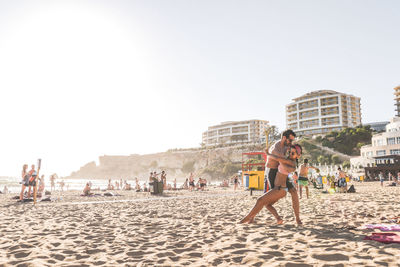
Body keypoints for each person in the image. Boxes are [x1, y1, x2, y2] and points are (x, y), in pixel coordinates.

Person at [240, 144, 303, 225]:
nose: (290, 154)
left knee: (260, 200)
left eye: (293, 153)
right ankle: (278, 219)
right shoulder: (287, 159)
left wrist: (270, 154)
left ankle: (247, 218)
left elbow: (281, 161)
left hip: (280, 189)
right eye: (290, 152)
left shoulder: (292, 164)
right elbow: (279, 159)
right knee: (267, 204)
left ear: (298, 156)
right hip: (278, 188)